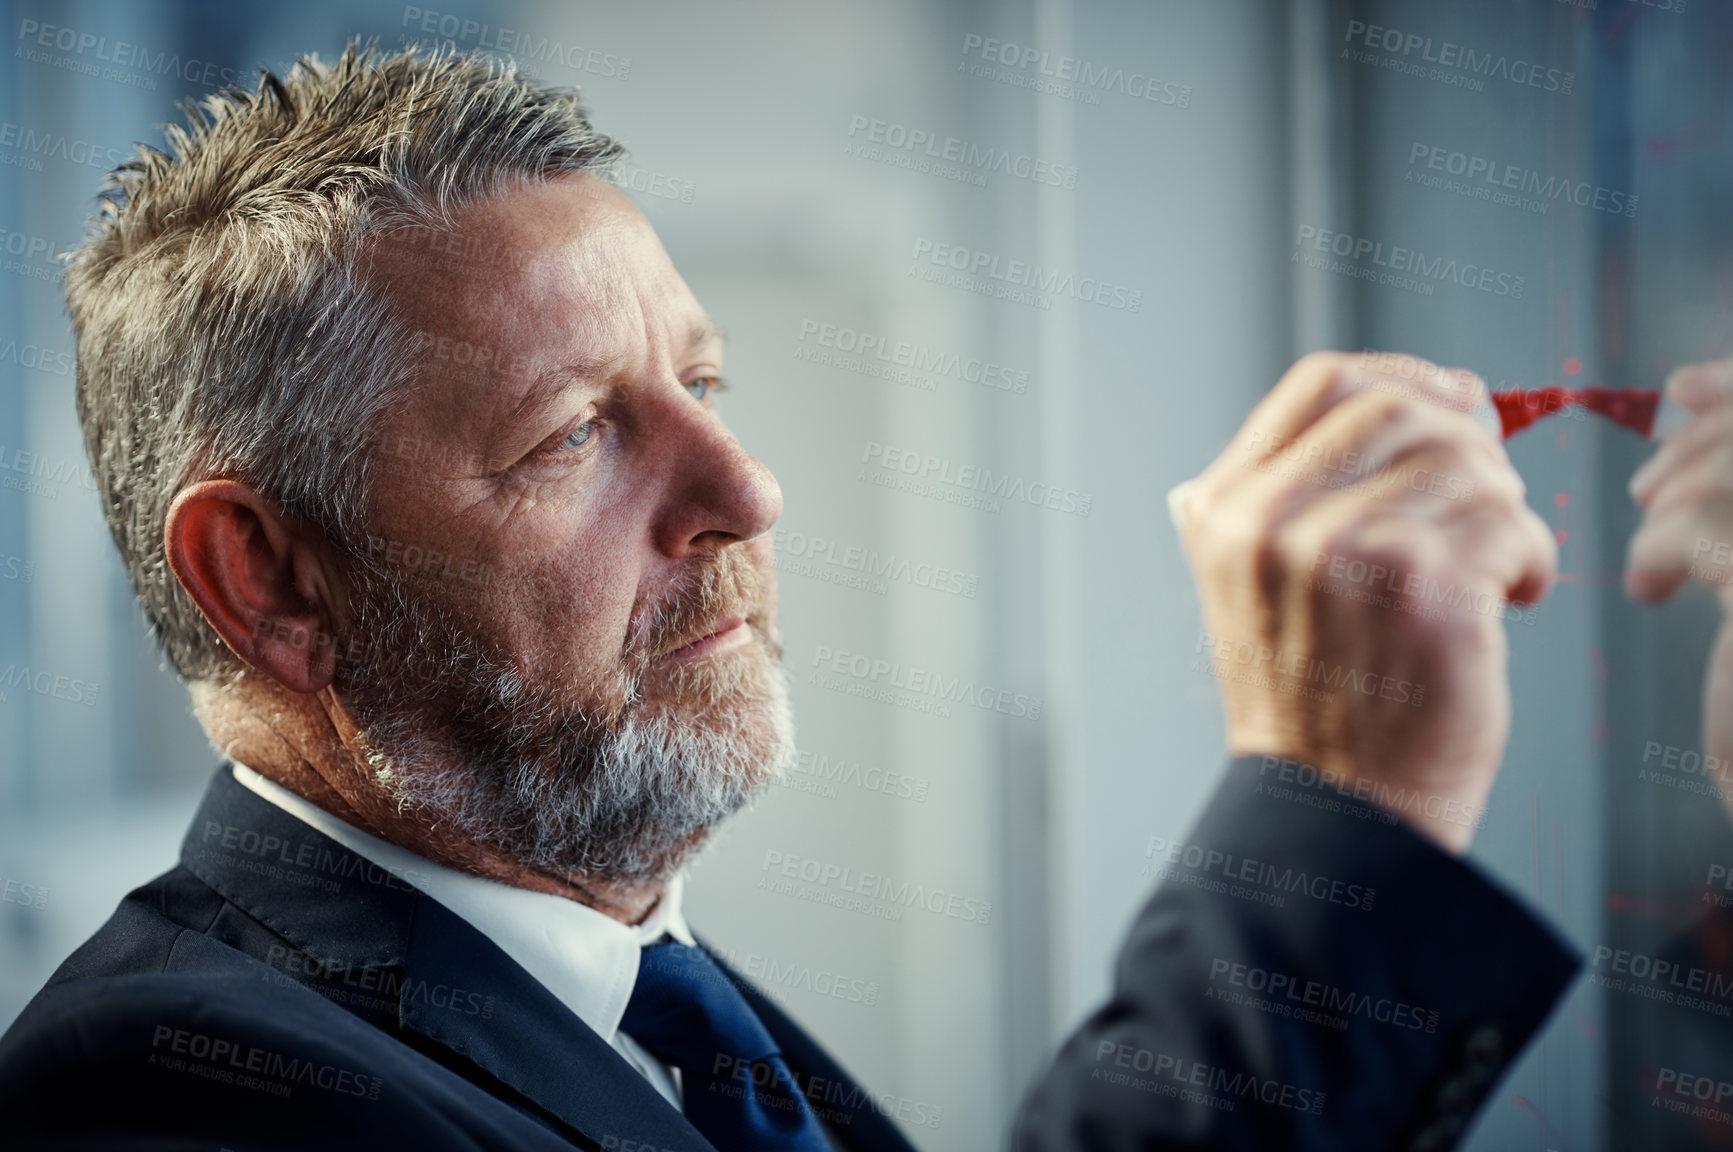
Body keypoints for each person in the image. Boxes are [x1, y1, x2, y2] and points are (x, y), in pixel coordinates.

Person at [4, 38, 1703, 1149]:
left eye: (704, 384)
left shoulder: (660, 1015)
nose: (746, 494)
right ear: (269, 578)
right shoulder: (159, 1097)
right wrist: (1338, 821)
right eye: (574, 435)